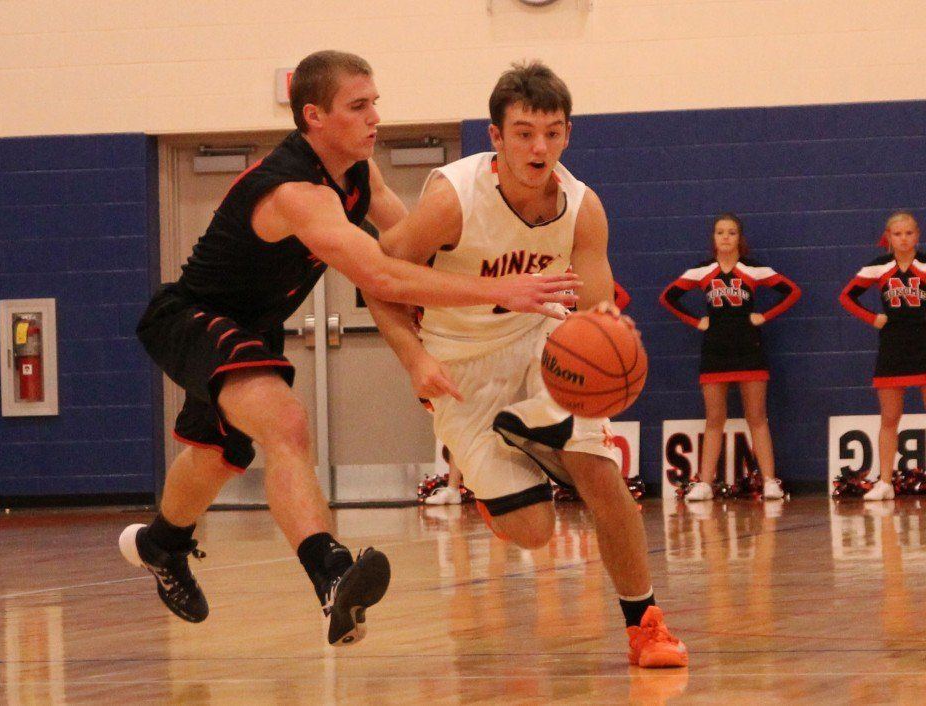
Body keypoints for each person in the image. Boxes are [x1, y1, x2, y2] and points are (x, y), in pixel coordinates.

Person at [120, 50, 581, 645]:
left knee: (217, 455)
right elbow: (384, 280)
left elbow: (408, 247)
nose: (375, 117)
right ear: (314, 116)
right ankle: (332, 574)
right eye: (359, 106)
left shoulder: (361, 175)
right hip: (193, 316)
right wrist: (504, 289)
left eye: (375, 103)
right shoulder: (297, 192)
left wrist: (500, 255)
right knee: (285, 424)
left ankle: (162, 544)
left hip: (253, 325)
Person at [365, 61, 688, 668]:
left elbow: (594, 306)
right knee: (534, 531)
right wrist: (413, 359)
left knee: (599, 471)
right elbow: (379, 280)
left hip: (543, 343)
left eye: (553, 131)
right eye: (524, 132)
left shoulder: (582, 208)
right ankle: (511, 458)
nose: (539, 146)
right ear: (496, 136)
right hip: (460, 364)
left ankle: (646, 625)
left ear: (567, 134)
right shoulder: (452, 200)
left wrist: (610, 336)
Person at [660, 214, 800, 502]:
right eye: (720, 232)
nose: (725, 237)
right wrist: (696, 321)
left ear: (740, 238)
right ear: (713, 238)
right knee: (714, 419)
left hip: (749, 348)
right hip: (715, 351)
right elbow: (667, 297)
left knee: (757, 417)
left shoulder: (753, 270)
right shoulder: (702, 271)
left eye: (731, 232)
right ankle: (704, 484)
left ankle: (771, 481)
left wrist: (765, 316)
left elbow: (792, 291)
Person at [839, 211, 926, 501]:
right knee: (889, 417)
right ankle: (885, 482)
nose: (903, 239)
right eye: (897, 234)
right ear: (888, 237)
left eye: (909, 233)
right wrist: (871, 317)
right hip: (892, 348)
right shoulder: (878, 267)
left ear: (918, 235)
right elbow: (847, 297)